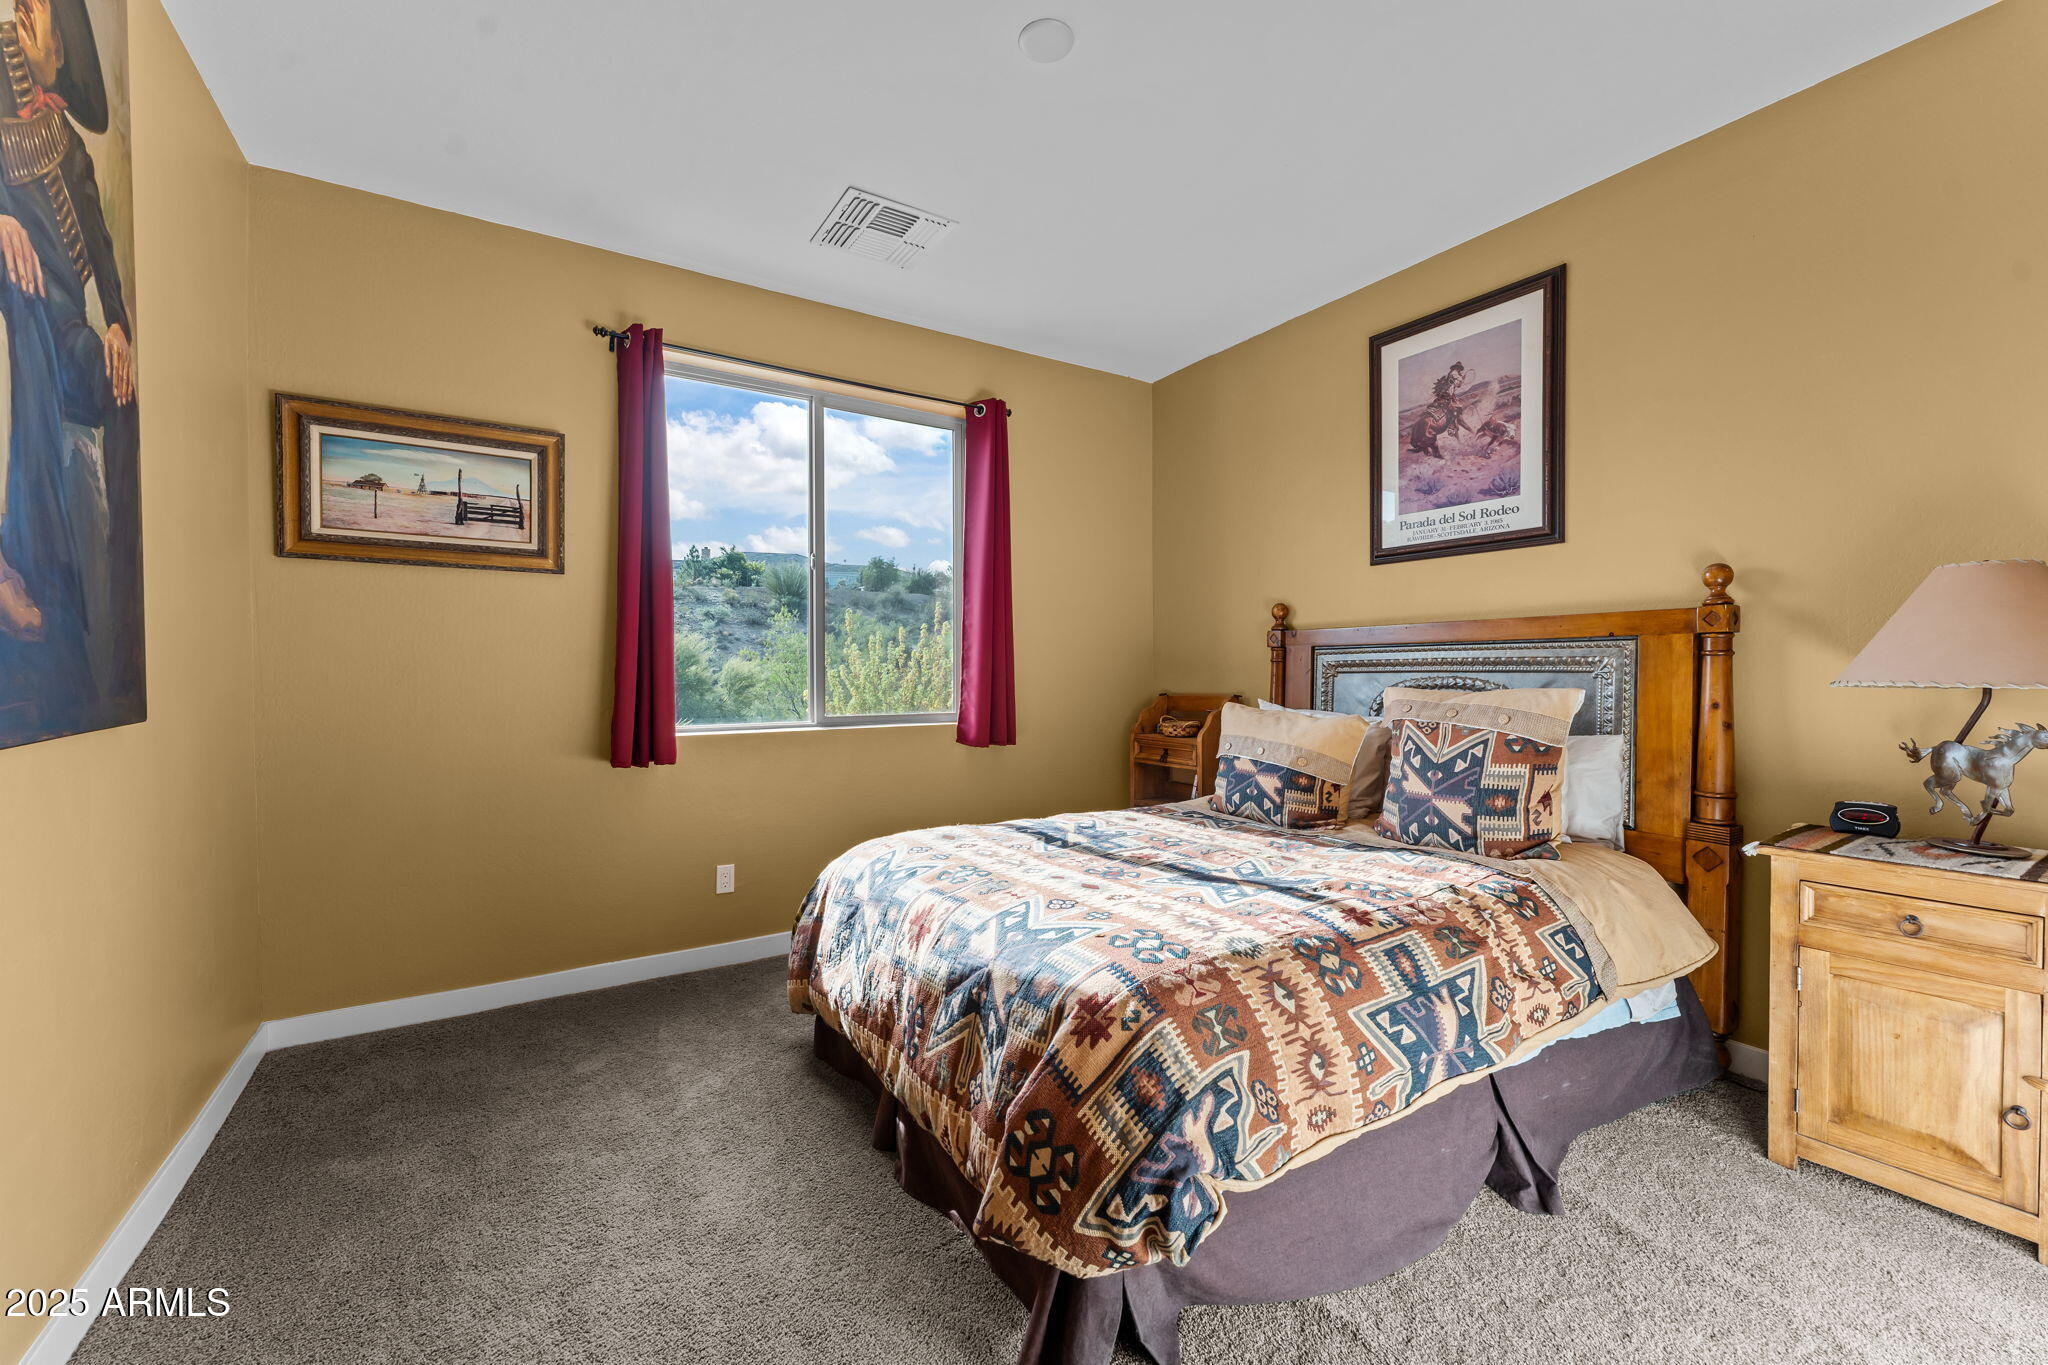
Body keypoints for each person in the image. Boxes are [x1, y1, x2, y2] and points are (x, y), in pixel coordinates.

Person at [0, 0, 140, 739]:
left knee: (123, 387)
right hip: (23, 324)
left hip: (65, 329)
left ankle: (123, 645)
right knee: (27, 322)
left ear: (60, 49)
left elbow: (101, 244)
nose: (24, 21)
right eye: (20, 9)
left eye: (39, 14)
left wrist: (118, 325)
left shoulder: (66, 142)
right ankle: (25, 579)